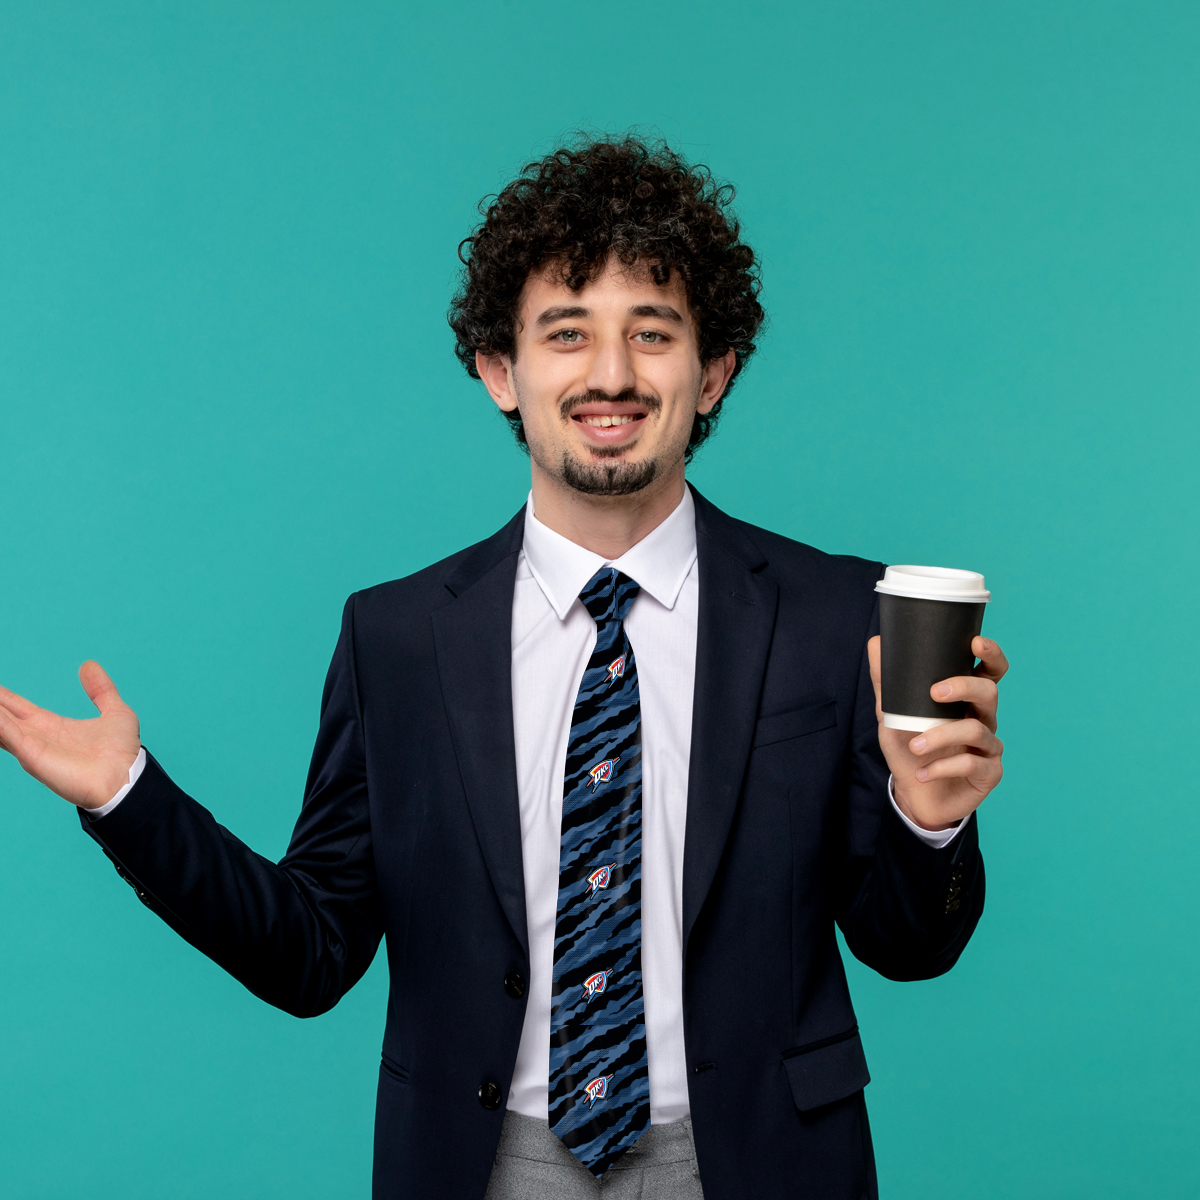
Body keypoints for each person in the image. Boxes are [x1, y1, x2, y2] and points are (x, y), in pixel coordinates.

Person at [0, 135, 1007, 1200]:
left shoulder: (836, 614)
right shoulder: (396, 638)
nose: (610, 376)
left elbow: (909, 946)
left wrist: (930, 818)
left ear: (713, 372)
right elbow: (312, 953)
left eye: (652, 335)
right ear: (500, 371)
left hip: (759, 1160)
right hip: (484, 1166)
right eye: (565, 335)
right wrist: (128, 796)